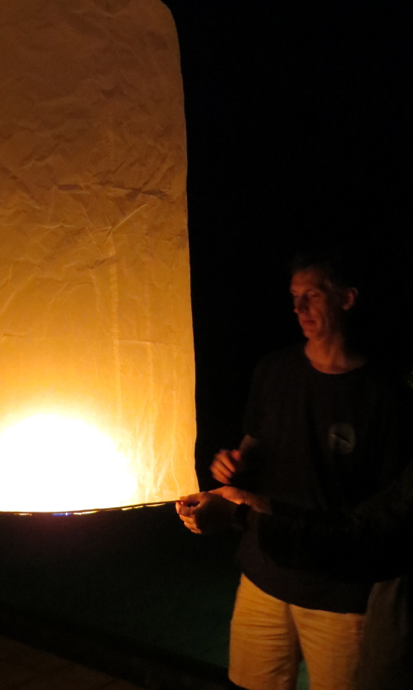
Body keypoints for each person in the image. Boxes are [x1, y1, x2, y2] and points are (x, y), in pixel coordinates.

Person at [198, 253, 410, 690]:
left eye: (311, 296)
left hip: (338, 592)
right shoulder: (275, 370)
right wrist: (233, 464)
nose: (298, 310)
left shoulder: (383, 395)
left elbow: (383, 510)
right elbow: (253, 445)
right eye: (294, 298)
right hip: (264, 575)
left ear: (347, 299)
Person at [177, 454, 413, 690]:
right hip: (264, 573)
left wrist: (241, 514)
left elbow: (369, 533)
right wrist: (246, 491)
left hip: (338, 593)